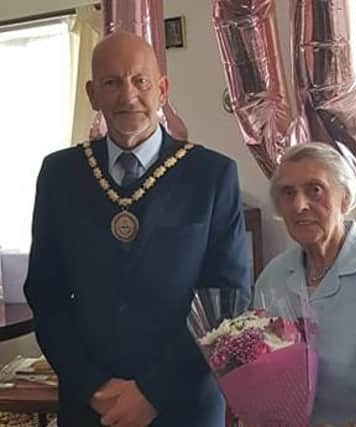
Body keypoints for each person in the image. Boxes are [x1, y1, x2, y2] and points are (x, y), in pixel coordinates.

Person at [24, 31, 250, 427]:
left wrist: (153, 393)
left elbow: (227, 302)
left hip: (183, 405)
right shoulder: (60, 174)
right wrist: (95, 388)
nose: (128, 96)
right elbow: (46, 293)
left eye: (140, 81)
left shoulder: (212, 175)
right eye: (112, 83)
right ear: (93, 95)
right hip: (89, 405)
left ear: (162, 89)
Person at [254, 143, 356, 427]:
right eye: (288, 193)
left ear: (345, 199)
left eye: (315, 190)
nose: (299, 205)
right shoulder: (273, 277)